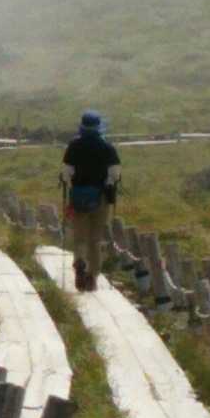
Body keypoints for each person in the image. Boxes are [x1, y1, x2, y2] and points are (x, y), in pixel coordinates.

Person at [60, 110, 121, 291]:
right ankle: (92, 276)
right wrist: (108, 183)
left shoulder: (74, 146)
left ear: (82, 126)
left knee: (80, 237)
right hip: (100, 197)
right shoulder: (107, 147)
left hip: (78, 197)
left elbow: (66, 173)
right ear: (99, 127)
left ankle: (79, 261)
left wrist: (71, 185)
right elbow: (115, 175)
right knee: (95, 239)